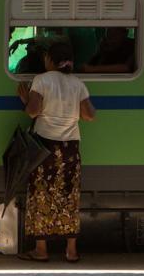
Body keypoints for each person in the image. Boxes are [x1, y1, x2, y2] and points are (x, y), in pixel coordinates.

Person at [16, 41, 97, 263]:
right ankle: (71, 251)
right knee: (69, 195)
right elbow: (89, 116)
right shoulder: (77, 83)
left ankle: (41, 250)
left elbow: (33, 112)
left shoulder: (42, 80)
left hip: (45, 146)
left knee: (41, 195)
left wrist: (25, 100)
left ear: (50, 60)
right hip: (70, 147)